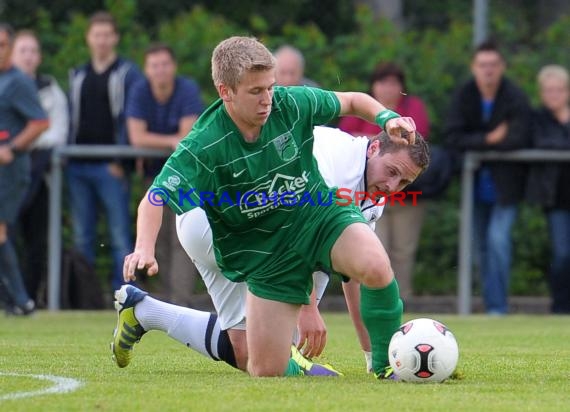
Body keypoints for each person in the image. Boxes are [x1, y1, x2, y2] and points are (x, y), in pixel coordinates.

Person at [115, 36, 418, 379]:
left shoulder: (288, 103)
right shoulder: (205, 143)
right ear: (225, 91)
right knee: (263, 368)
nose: (267, 100)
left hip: (317, 218)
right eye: (255, 91)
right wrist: (143, 248)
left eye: (270, 87)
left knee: (376, 265)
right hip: (263, 253)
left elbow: (351, 100)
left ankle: (387, 368)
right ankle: (288, 363)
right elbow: (155, 197)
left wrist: (387, 117)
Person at [111, 126, 429, 375]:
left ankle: (144, 312)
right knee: (276, 347)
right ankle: (290, 354)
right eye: (392, 171)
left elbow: (355, 276)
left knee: (246, 351)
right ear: (374, 147)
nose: (393, 186)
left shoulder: (373, 195)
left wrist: (373, 357)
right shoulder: (331, 155)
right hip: (223, 224)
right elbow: (293, 227)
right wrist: (306, 308)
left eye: (403, 182)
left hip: (219, 227)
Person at [445, 40, 531, 315]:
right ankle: (491, 304)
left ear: (502, 67)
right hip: (474, 187)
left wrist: (478, 143)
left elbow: (520, 136)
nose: (488, 70)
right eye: (483, 65)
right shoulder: (464, 95)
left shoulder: (515, 96)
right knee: (480, 249)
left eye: (494, 65)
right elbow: (452, 136)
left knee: (498, 241)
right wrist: (490, 138)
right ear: (474, 67)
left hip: (506, 187)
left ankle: (498, 306)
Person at [338, 62, 430, 300]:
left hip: (407, 198)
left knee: (403, 251)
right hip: (361, 193)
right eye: (383, 82)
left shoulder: (412, 108)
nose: (388, 88)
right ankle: (378, 301)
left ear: (402, 87)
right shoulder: (363, 108)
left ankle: (401, 299)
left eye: (394, 83)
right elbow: (348, 137)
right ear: (374, 86)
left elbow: (416, 147)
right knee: (376, 249)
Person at [66, 11, 142, 292]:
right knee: (82, 236)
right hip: (77, 166)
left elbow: (130, 117)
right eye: (96, 35)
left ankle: (125, 295)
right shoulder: (77, 74)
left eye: (106, 35)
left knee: (120, 234)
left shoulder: (128, 73)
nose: (101, 41)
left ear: (115, 38)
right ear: (88, 38)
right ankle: (84, 296)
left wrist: (121, 160)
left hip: (112, 166)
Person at [126, 42, 204, 306]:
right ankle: (167, 301)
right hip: (153, 177)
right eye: (154, 65)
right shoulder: (139, 91)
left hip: (185, 179)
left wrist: (162, 141)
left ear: (174, 67)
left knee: (183, 239)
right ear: (146, 70)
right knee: (156, 241)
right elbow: (136, 137)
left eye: (164, 64)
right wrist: (169, 141)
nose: (160, 70)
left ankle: (179, 302)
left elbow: (185, 137)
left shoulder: (187, 89)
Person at [10, 30, 69, 307]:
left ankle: (27, 299)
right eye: (23, 50)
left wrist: (17, 144)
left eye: (33, 50)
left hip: (37, 173)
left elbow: (53, 130)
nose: (28, 56)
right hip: (6, 169)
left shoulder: (49, 87)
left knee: (35, 242)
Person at [0, 23, 49, 315]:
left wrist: (13, 148)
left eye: (3, 44)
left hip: (11, 171)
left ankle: (21, 299)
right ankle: (15, 299)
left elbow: (41, 123)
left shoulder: (18, 81)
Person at [526, 65, 570, 314]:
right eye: (549, 90)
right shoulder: (538, 119)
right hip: (557, 199)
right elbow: (540, 142)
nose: (554, 95)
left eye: (559, 90)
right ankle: (561, 307)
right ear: (542, 93)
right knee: (563, 254)